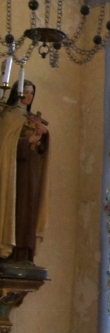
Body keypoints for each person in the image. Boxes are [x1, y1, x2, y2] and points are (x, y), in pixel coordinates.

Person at [0, 80, 49, 264]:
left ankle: (25, 254)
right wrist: (27, 141)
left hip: (30, 172)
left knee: (29, 210)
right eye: (25, 92)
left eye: (31, 93)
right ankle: (10, 253)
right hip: (14, 174)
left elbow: (42, 148)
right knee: (17, 208)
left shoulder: (31, 117)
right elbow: (6, 145)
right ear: (17, 93)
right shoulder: (8, 116)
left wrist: (43, 136)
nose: (28, 97)